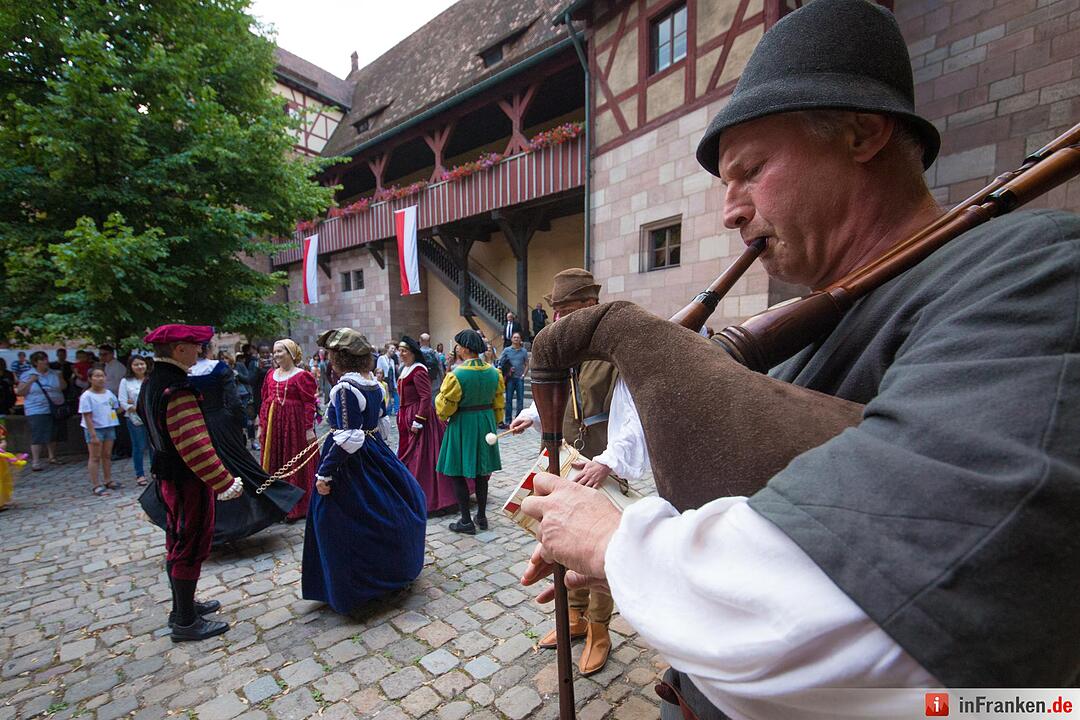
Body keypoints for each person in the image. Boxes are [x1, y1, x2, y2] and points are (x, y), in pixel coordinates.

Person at [518, 1, 1080, 717]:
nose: (730, 209)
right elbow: (754, 505)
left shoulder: (1033, 275)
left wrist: (619, 548)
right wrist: (644, 554)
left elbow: (887, 631)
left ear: (862, 132)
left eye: (749, 171)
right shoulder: (812, 323)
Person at [508, 268, 643, 676]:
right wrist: (531, 415)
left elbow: (632, 419)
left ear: (589, 307)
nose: (557, 321)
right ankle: (575, 619)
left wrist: (609, 461)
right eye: (555, 313)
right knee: (560, 544)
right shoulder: (564, 353)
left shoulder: (613, 359)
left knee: (596, 552)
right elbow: (561, 400)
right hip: (564, 463)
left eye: (565, 311)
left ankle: (600, 630)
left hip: (601, 469)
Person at [302, 328, 426, 614]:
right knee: (388, 510)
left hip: (353, 460)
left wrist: (325, 473)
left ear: (338, 358)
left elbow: (349, 437)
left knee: (341, 524)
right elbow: (378, 425)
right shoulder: (371, 383)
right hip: (374, 451)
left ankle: (357, 586)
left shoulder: (346, 388)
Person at [137, 324, 243, 641]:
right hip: (187, 481)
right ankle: (185, 620)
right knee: (190, 543)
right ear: (179, 349)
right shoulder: (177, 388)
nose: (199, 350)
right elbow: (194, 444)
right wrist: (223, 482)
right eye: (194, 345)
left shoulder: (153, 383)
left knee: (178, 540)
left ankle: (183, 607)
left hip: (169, 475)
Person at [190, 343, 302, 543]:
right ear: (207, 349)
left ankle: (204, 524)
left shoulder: (184, 373)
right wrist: (241, 422)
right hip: (220, 424)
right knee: (239, 468)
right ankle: (249, 515)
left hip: (195, 426)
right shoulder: (219, 369)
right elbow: (233, 401)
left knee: (203, 470)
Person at [434, 329, 504, 535]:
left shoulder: (456, 375)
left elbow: (444, 409)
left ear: (464, 349)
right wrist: (493, 420)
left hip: (463, 423)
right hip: (485, 422)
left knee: (457, 472)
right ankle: (481, 516)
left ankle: (466, 520)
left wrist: (440, 405)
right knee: (482, 473)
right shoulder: (494, 372)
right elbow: (499, 403)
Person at [259, 339, 318, 521]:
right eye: (274, 352)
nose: (276, 355)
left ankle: (298, 504)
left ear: (291, 353)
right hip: (274, 426)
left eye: (280, 351)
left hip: (295, 425)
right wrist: (262, 425)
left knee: (293, 459)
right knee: (276, 460)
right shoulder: (270, 375)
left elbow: (309, 404)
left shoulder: (302, 376)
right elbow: (265, 401)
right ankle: (276, 504)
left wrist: (309, 429)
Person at [395, 335, 454, 513]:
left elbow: (426, 397)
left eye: (404, 351)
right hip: (406, 416)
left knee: (422, 457)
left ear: (413, 353)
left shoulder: (419, 370)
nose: (401, 354)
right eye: (400, 350)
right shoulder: (405, 369)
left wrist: (418, 420)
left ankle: (431, 497)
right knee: (407, 453)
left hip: (420, 419)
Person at [15, 351, 67, 471]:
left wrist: (60, 377)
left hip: (54, 407)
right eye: (41, 360)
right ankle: (36, 461)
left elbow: (63, 387)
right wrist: (31, 381)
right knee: (38, 434)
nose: (45, 362)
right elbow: (20, 392)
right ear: (35, 362)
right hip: (37, 408)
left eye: (46, 359)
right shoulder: (28, 375)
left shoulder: (53, 373)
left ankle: (52, 456)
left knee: (53, 432)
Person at [79, 366, 121, 496]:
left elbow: (116, 408)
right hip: (95, 429)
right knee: (95, 457)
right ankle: (96, 484)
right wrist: (93, 435)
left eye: (102, 376)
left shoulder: (109, 393)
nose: (100, 379)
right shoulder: (87, 396)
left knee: (107, 455)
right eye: (96, 376)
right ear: (90, 379)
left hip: (109, 426)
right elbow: (87, 416)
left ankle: (108, 479)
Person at [118, 356, 152, 486]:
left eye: (142, 364)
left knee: (153, 446)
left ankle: (155, 471)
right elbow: (123, 401)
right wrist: (134, 407)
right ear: (130, 367)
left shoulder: (149, 380)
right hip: (134, 418)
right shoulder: (126, 381)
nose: (139, 367)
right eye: (136, 364)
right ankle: (140, 474)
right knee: (139, 446)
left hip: (150, 417)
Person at [496, 332, 528, 430]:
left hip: (519, 378)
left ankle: (519, 420)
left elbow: (527, 364)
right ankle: (508, 420)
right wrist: (506, 369)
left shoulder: (524, 351)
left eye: (518, 337)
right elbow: (501, 361)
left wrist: (524, 375)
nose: (516, 339)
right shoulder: (507, 350)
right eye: (514, 337)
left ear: (520, 339)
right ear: (511, 339)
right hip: (510, 378)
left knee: (520, 400)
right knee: (509, 400)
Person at [377, 344, 399, 415]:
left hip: (392, 381)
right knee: (387, 397)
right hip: (385, 380)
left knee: (396, 395)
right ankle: (387, 412)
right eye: (392, 348)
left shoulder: (392, 361)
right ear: (387, 349)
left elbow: (393, 374)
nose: (393, 350)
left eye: (394, 349)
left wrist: (395, 384)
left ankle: (397, 411)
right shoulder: (381, 358)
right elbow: (378, 369)